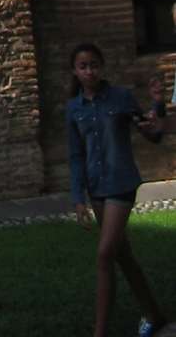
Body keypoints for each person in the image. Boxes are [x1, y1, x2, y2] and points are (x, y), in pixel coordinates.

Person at [67, 42, 167, 337]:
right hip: (96, 186)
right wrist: (77, 199)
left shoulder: (120, 98)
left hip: (121, 183)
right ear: (75, 70)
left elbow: (153, 134)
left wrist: (157, 104)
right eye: (83, 66)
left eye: (94, 65)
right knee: (123, 256)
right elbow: (75, 156)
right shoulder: (74, 108)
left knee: (104, 254)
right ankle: (154, 315)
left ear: (102, 67)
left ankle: (100, 332)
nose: (89, 71)